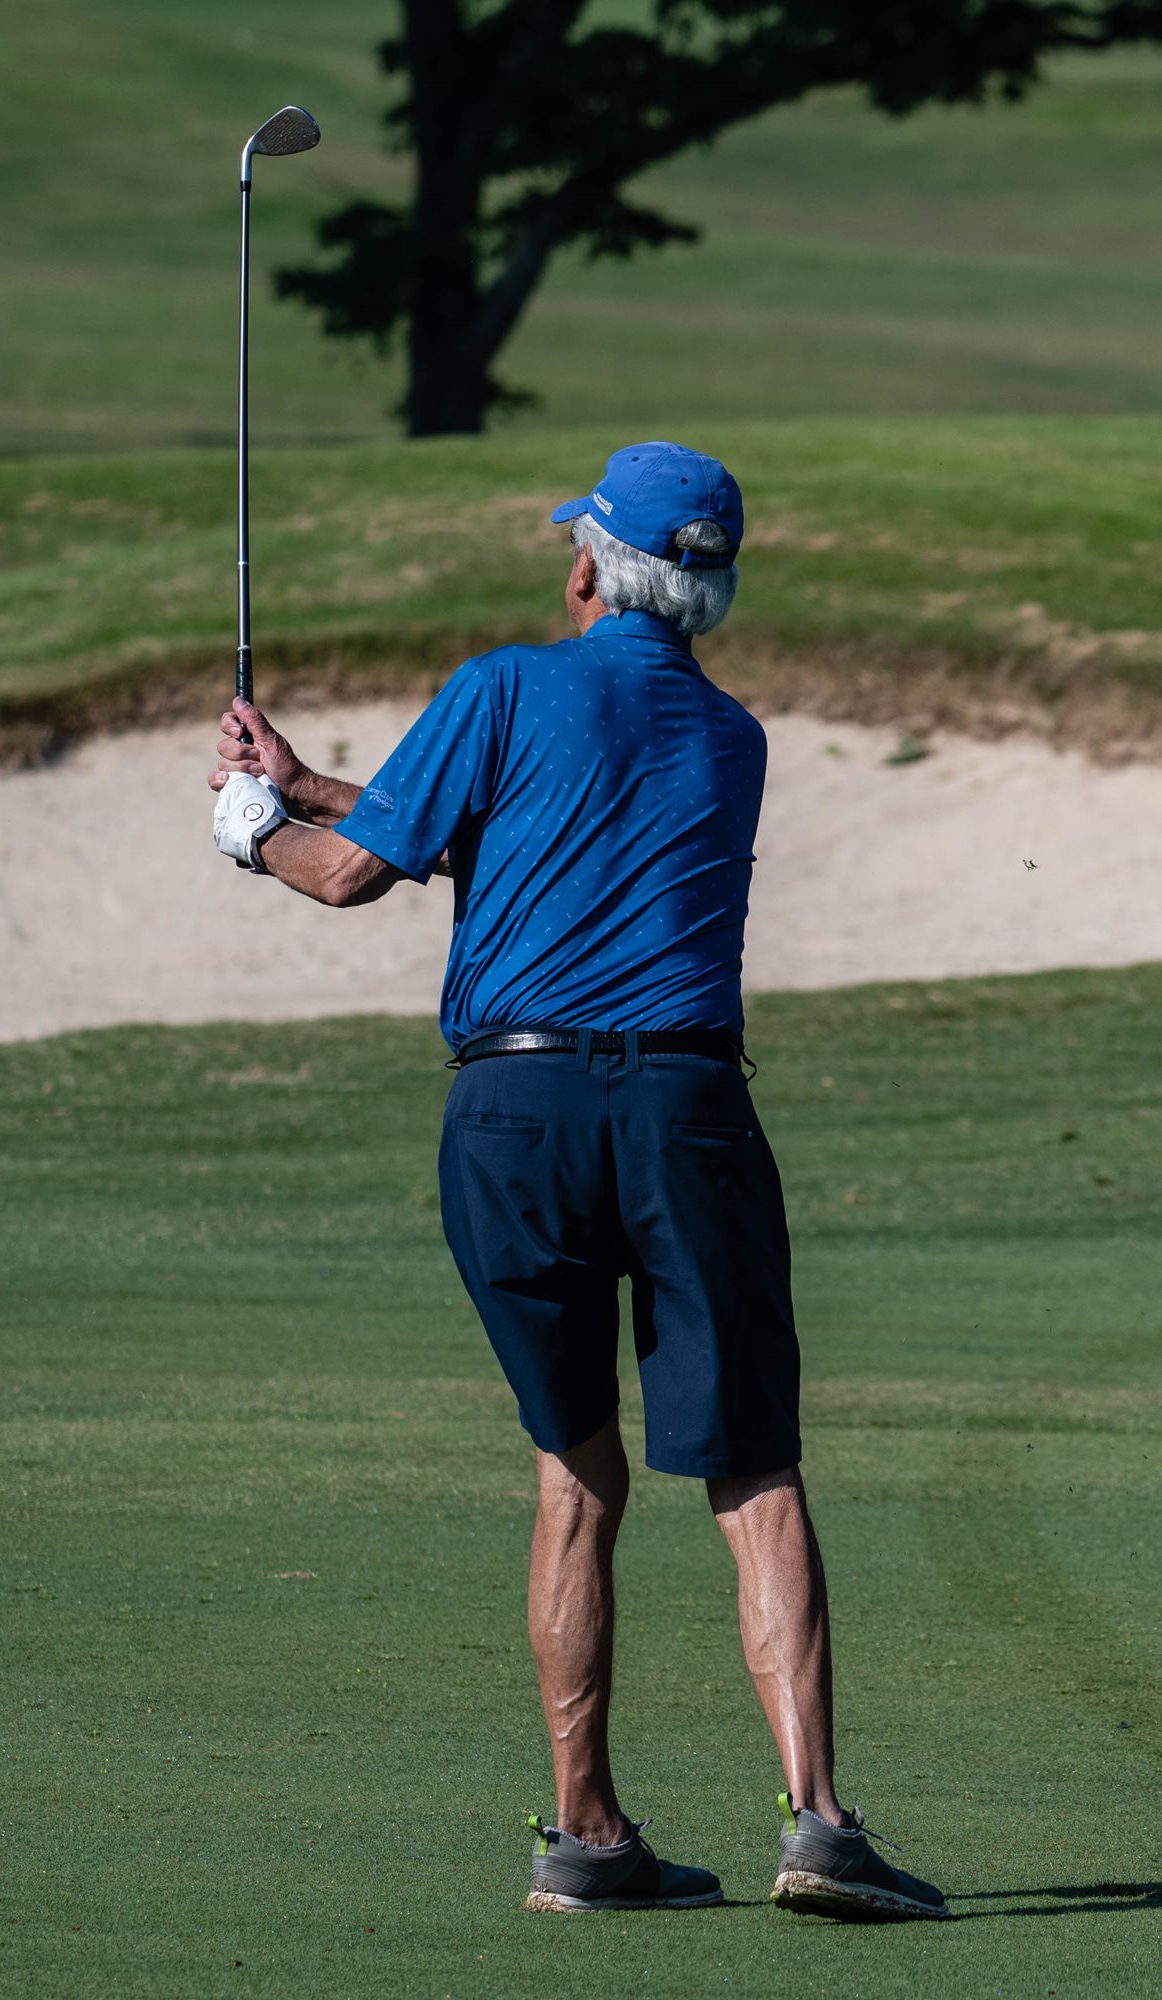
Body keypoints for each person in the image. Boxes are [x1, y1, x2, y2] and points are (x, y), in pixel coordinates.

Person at [208, 441, 948, 1922]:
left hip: (514, 1119)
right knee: (753, 1472)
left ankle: (587, 1834)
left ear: (587, 570)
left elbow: (359, 873)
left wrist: (258, 830)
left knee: (577, 1470)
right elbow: (535, 817)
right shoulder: (731, 739)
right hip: (685, 1118)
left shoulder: (499, 688)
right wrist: (313, 783)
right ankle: (816, 1823)